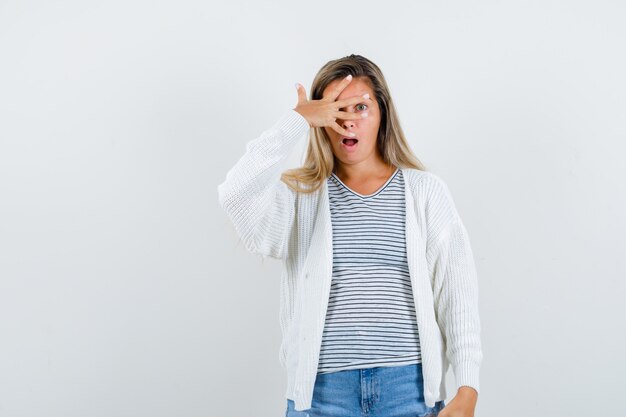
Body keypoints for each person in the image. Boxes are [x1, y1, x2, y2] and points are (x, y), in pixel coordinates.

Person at [217, 54, 483, 417]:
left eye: (360, 107)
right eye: (335, 110)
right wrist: (296, 121)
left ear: (382, 114)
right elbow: (236, 195)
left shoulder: (425, 192)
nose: (347, 121)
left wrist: (467, 389)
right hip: (323, 397)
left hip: (409, 392)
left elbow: (457, 296)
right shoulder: (301, 196)